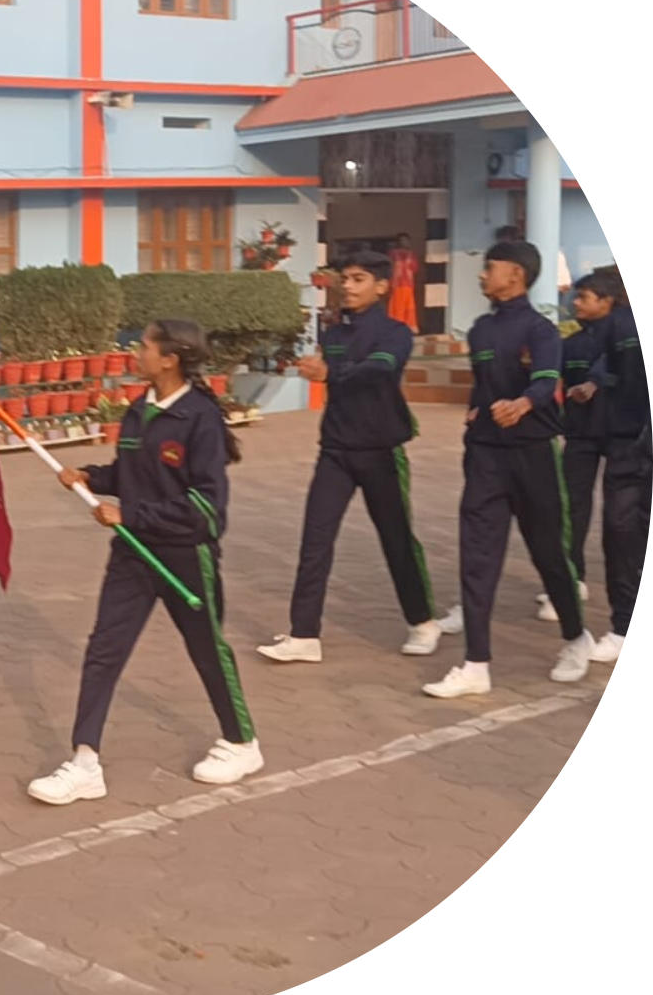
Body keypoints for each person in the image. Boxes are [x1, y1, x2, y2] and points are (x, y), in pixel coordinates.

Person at [28, 319, 261, 806]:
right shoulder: (139, 410)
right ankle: (85, 762)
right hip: (133, 551)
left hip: (185, 555)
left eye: (145, 346)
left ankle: (242, 743)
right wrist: (89, 476)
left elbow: (208, 508)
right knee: (104, 649)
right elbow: (130, 474)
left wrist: (130, 514)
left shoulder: (200, 418)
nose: (137, 353)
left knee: (207, 649)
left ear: (170, 359)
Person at [424, 241, 596, 698]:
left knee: (548, 554)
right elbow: (483, 385)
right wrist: (475, 412)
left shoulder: (540, 331)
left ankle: (576, 637)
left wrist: (522, 404)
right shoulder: (481, 330)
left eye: (490, 267)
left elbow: (545, 380)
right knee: (477, 557)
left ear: (515, 275)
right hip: (485, 456)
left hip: (533, 454)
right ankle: (475, 664)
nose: (482, 275)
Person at [258, 252, 441, 664]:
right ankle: (304, 634)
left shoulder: (396, 334)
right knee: (315, 540)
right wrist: (319, 367)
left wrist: (330, 374)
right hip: (336, 452)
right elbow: (336, 377)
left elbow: (379, 370)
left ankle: (423, 621)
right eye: (344, 279)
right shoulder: (334, 334)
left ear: (381, 286)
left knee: (396, 540)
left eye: (359, 279)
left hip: (381, 452)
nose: (348, 286)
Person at [565, 265, 644, 671]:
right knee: (621, 531)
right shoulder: (617, 325)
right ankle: (624, 628)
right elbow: (600, 360)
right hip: (630, 445)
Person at [541, 272, 612, 623]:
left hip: (624, 436)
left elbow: (616, 362)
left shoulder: (627, 337)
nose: (576, 303)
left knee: (625, 516)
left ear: (606, 301)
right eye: (577, 297)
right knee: (572, 505)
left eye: (584, 297)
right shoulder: (571, 343)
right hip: (580, 433)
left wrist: (596, 381)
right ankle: (573, 578)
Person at [387, 233, 421, 333]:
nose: (404, 242)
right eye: (402, 240)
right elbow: (389, 268)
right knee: (397, 307)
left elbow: (415, 268)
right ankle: (396, 327)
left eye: (406, 240)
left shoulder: (411, 254)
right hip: (397, 284)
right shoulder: (393, 254)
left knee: (409, 307)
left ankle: (409, 327)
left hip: (409, 285)